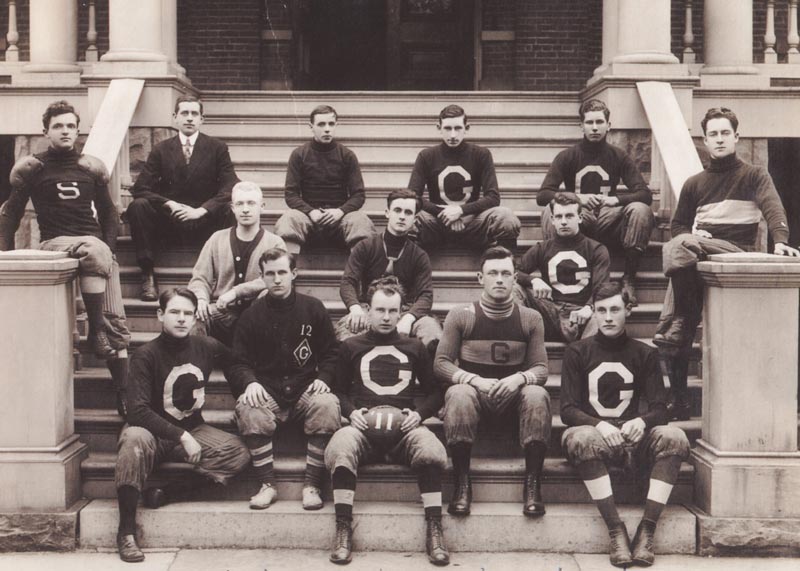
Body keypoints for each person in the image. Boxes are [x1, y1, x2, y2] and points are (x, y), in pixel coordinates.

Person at [653, 107, 799, 419]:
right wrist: (694, 237)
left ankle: (682, 320)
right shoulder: (694, 183)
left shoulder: (754, 175)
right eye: (713, 135)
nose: (719, 140)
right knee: (669, 329)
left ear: (736, 136)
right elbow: (678, 225)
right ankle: (678, 399)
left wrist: (781, 240)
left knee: (680, 263)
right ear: (705, 141)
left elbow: (772, 206)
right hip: (698, 253)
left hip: (735, 251)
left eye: (724, 133)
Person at [0, 99, 130, 414]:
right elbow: (11, 213)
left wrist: (110, 249)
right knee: (93, 251)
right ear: (46, 131)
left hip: (93, 248)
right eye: (58, 126)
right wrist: (2, 253)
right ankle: (95, 330)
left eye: (71, 125)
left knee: (118, 320)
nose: (65, 131)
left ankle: (125, 395)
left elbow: (110, 215)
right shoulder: (33, 168)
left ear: (77, 130)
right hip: (55, 244)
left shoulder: (90, 167)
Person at [115, 287, 250, 563]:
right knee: (132, 441)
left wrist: (249, 385)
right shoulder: (145, 355)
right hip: (153, 431)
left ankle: (169, 492)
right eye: (174, 312)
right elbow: (138, 412)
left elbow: (237, 362)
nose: (181, 319)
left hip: (192, 428)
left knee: (240, 454)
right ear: (159, 315)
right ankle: (126, 530)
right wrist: (181, 436)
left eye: (188, 313)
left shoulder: (206, 345)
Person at [560, 282, 689, 567]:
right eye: (601, 310)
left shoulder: (645, 353)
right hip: (593, 437)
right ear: (593, 312)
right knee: (581, 437)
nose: (607, 317)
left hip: (631, 438)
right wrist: (600, 425)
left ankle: (647, 530)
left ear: (628, 310)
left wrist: (641, 422)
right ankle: (616, 529)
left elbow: (660, 409)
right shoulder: (577, 352)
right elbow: (567, 409)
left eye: (615, 309)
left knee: (675, 437)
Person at [326, 277, 449, 566]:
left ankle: (434, 527)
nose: (386, 317)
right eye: (380, 310)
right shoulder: (351, 346)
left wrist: (419, 414)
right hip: (363, 428)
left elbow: (436, 391)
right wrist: (350, 411)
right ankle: (343, 526)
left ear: (401, 311)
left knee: (430, 450)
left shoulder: (415, 346)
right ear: (368, 310)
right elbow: (338, 388)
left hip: (404, 427)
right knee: (342, 445)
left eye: (393, 311)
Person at [435, 246, 550, 518]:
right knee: (459, 393)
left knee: (536, 393)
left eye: (506, 273)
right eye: (493, 273)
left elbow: (542, 368)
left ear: (514, 279)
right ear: (480, 278)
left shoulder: (530, 317)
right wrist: (475, 381)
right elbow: (441, 363)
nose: (499, 279)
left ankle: (533, 484)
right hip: (476, 402)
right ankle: (462, 483)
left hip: (513, 404)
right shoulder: (461, 315)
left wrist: (518, 379)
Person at [230, 248, 341, 511]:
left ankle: (312, 484)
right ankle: (267, 485)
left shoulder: (312, 308)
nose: (277, 279)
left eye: (282, 272)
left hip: (304, 389)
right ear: (262, 277)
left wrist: (324, 377)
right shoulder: (251, 316)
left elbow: (332, 353)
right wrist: (249, 382)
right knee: (248, 407)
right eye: (270, 274)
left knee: (327, 404)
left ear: (294, 273)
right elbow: (236, 361)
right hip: (268, 390)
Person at [537, 99, 653, 305]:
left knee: (640, 210)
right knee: (549, 209)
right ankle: (552, 273)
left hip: (609, 220)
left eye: (600, 122)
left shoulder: (619, 156)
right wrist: (577, 199)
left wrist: (614, 200)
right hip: (580, 222)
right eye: (589, 122)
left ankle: (629, 279)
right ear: (581, 125)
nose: (595, 127)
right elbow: (543, 194)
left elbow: (644, 194)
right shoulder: (567, 156)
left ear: (609, 125)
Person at [127, 95, 239, 301]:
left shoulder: (217, 148)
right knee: (138, 206)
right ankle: (148, 275)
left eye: (194, 113)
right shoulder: (161, 149)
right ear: (175, 118)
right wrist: (168, 204)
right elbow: (141, 188)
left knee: (229, 207)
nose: (189, 118)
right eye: (184, 113)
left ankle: (223, 277)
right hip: (171, 222)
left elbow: (231, 185)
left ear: (201, 119)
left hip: (204, 222)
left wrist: (202, 210)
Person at [336, 188, 442, 351]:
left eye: (408, 213)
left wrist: (408, 318)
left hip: (404, 310)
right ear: (387, 213)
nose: (402, 216)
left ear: (414, 219)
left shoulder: (419, 255)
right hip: (370, 309)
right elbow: (348, 282)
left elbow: (426, 295)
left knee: (432, 332)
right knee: (346, 333)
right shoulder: (365, 247)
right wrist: (355, 308)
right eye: (397, 210)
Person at [408, 104, 520, 251]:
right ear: (438, 127)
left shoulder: (481, 155)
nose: (453, 135)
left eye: (458, 128)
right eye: (448, 128)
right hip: (437, 224)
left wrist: (461, 211)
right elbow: (412, 197)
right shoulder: (427, 156)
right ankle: (407, 264)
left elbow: (493, 197)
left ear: (466, 128)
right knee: (407, 213)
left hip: (472, 223)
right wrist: (445, 214)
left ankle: (506, 264)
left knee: (506, 216)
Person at [188, 181, 285, 346]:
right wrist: (201, 299)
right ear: (232, 208)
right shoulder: (217, 239)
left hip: (257, 314)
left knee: (268, 296)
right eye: (240, 204)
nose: (245, 209)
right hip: (222, 313)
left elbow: (276, 279)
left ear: (262, 206)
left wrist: (237, 292)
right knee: (197, 314)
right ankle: (199, 362)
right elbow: (199, 278)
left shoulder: (275, 242)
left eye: (251, 203)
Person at [274, 105, 375, 253]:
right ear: (311, 127)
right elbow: (291, 194)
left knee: (361, 222)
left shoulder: (347, 155)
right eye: (321, 124)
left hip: (340, 220)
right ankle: (287, 272)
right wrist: (311, 212)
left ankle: (361, 275)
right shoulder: (299, 154)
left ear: (336, 125)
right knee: (288, 220)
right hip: (308, 219)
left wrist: (340, 211)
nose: (327, 129)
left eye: (331, 124)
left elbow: (358, 195)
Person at [515, 193, 610, 343]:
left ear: (580, 217)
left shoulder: (596, 249)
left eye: (569, 216)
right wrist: (533, 280)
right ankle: (517, 343)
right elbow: (513, 272)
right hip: (548, 312)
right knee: (514, 287)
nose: (564, 222)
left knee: (602, 316)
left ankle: (585, 355)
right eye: (559, 217)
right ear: (552, 220)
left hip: (580, 315)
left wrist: (589, 307)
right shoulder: (542, 248)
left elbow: (602, 287)